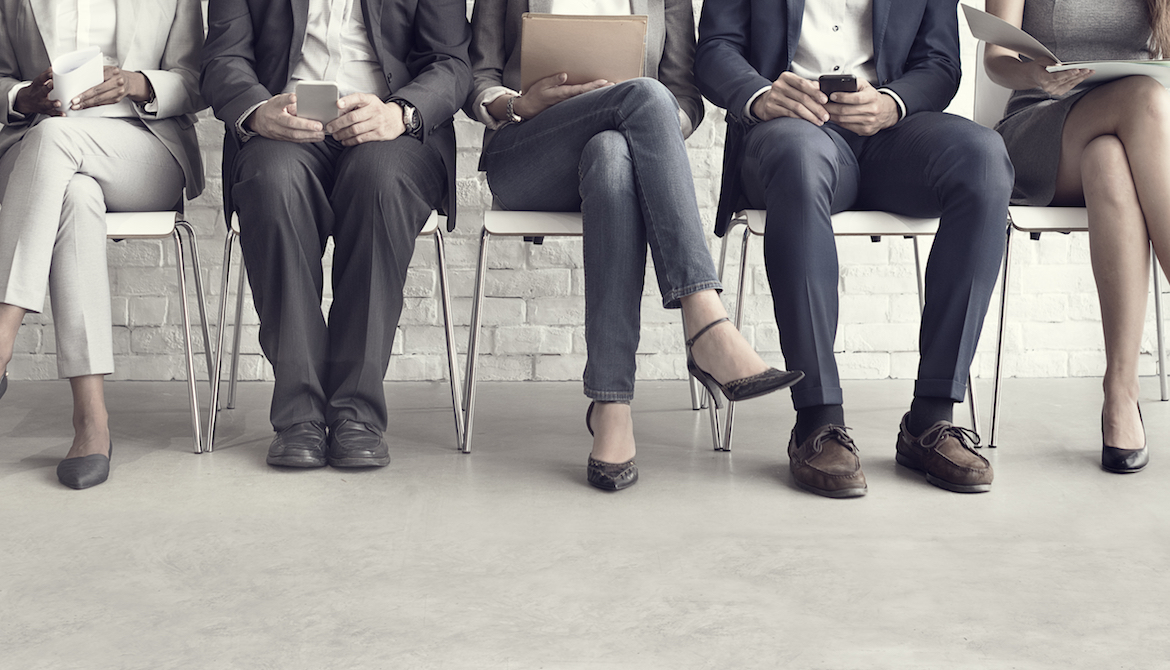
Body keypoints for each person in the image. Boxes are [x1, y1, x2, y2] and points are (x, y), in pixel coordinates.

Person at [466, 0, 803, 492]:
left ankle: (611, 405)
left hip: (622, 153)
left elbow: (685, 100)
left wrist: (648, 129)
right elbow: (478, 77)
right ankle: (705, 321)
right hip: (527, 153)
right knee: (644, 95)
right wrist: (519, 103)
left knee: (612, 155)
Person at [695, 0, 1014, 497]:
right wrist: (760, 95)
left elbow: (940, 63)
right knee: (800, 160)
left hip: (891, 138)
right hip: (789, 134)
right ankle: (818, 422)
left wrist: (891, 103)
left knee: (983, 159)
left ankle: (931, 418)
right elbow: (714, 49)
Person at [200, 0, 471, 470]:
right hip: (283, 129)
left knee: (379, 184)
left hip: (390, 130)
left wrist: (401, 113)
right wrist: (257, 110)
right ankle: (299, 417)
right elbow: (224, 57)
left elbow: (451, 62)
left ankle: (356, 416)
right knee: (273, 184)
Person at [0, 0, 205, 489]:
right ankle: (91, 422)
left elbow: (199, 80)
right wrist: (21, 98)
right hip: (40, 158)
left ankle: (1, 336)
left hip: (143, 145)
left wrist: (138, 82)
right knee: (74, 191)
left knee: (56, 141)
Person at [984, 0, 1168, 474]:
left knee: (1108, 159)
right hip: (1042, 122)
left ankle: (1121, 393)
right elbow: (996, 58)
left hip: (1134, 136)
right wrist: (1037, 76)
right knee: (1146, 97)